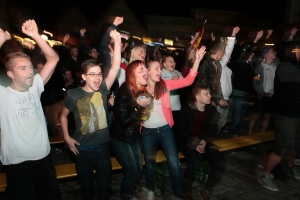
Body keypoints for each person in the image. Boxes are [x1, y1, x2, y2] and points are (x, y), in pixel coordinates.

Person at [0, 19, 61, 199]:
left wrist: (35, 35)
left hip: (43, 159)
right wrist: (2, 41)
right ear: (10, 74)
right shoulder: (3, 95)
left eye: (30, 68)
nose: (29, 72)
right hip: (17, 164)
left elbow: (53, 58)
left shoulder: (35, 85)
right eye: (22, 68)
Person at [60, 30, 121, 200]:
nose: (97, 78)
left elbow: (115, 66)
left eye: (100, 74)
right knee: (86, 187)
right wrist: (66, 137)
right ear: (84, 76)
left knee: (104, 186)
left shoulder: (102, 90)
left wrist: (116, 42)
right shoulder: (73, 94)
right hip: (82, 149)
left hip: (102, 147)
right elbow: (63, 116)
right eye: (92, 74)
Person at [142, 46, 206, 199]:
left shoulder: (164, 84)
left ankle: (178, 195)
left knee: (174, 165)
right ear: (147, 71)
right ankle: (150, 192)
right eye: (156, 68)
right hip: (147, 132)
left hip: (165, 130)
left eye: (159, 68)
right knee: (149, 166)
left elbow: (188, 80)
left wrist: (196, 60)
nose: (159, 71)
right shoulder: (139, 87)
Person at [257, 27, 300, 192]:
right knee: (283, 145)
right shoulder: (285, 67)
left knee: (295, 144)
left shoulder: (292, 65)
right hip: (285, 113)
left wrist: (290, 36)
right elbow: (257, 81)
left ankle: (287, 166)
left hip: (294, 112)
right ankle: (265, 173)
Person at [110, 60, 151, 200]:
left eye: (145, 68)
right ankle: (126, 196)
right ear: (132, 75)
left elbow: (141, 116)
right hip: (120, 138)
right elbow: (123, 122)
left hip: (133, 136)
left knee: (139, 170)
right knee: (132, 171)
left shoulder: (141, 90)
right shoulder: (124, 91)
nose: (145, 72)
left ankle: (131, 192)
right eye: (141, 70)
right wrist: (139, 106)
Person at [178, 83, 225, 200]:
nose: (210, 96)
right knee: (194, 163)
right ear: (197, 96)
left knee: (220, 162)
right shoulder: (187, 108)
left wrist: (205, 140)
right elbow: (181, 130)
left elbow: (214, 128)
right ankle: (185, 191)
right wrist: (195, 142)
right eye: (206, 94)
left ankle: (206, 190)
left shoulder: (211, 109)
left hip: (204, 140)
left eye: (209, 93)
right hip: (187, 140)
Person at [248, 47, 277, 135]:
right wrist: (263, 93)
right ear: (267, 54)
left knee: (267, 116)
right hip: (262, 96)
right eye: (272, 52)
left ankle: (262, 134)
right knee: (255, 116)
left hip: (272, 96)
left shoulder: (276, 67)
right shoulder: (259, 68)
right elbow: (255, 83)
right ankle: (250, 134)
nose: (275, 53)